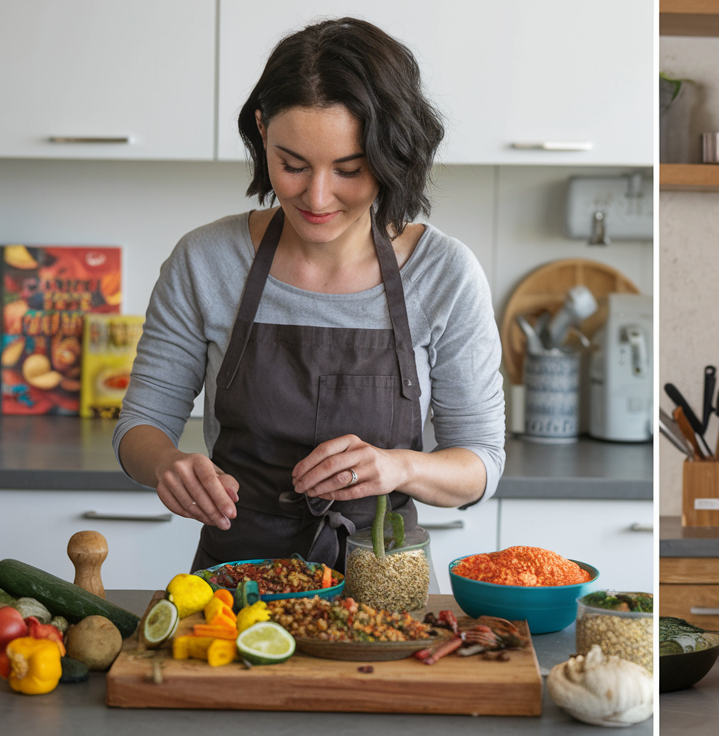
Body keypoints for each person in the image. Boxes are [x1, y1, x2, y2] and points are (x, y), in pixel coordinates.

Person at [114, 18, 504, 573]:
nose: (317, 197)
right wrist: (167, 465)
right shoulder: (205, 261)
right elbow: (139, 427)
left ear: (392, 153)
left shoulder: (445, 273)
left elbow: (481, 464)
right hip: (235, 595)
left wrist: (399, 468)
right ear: (261, 130)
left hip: (382, 592)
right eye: (292, 165)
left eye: (349, 169)